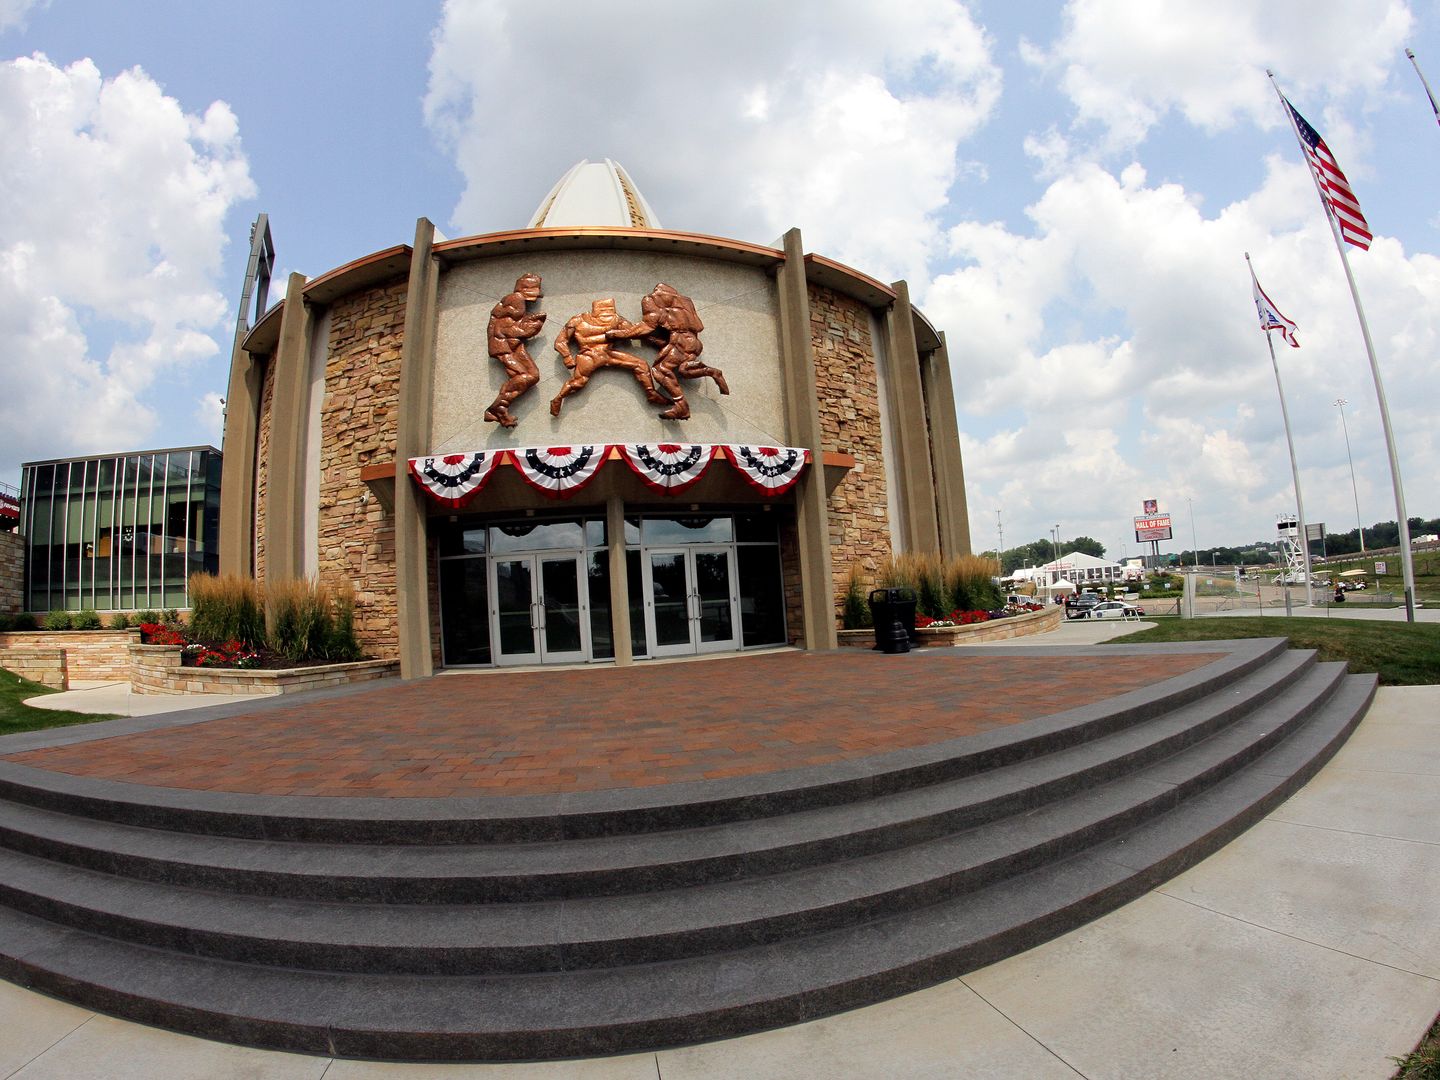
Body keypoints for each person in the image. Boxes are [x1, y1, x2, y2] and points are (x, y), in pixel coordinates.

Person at [607, 283, 728, 420]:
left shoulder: (652, 299)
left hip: (680, 340)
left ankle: (681, 407)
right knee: (683, 371)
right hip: (694, 341)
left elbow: (646, 326)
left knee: (660, 369)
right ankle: (711, 372)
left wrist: (619, 334)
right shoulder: (685, 301)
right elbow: (692, 325)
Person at [549, 298, 667, 416]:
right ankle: (558, 399)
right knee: (578, 382)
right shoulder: (577, 321)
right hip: (588, 355)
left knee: (641, 364)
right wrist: (567, 357)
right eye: (604, 314)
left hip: (607, 353)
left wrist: (656, 341)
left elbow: (635, 332)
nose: (606, 318)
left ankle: (651, 393)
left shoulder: (617, 319)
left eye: (609, 314)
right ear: (595, 311)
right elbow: (560, 342)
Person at [483, 274, 546, 428]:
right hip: (503, 346)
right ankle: (497, 408)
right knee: (523, 376)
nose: (536, 298)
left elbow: (514, 326)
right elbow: (506, 330)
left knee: (532, 375)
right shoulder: (515, 300)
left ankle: (499, 408)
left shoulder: (515, 304)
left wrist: (531, 322)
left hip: (514, 345)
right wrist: (534, 326)